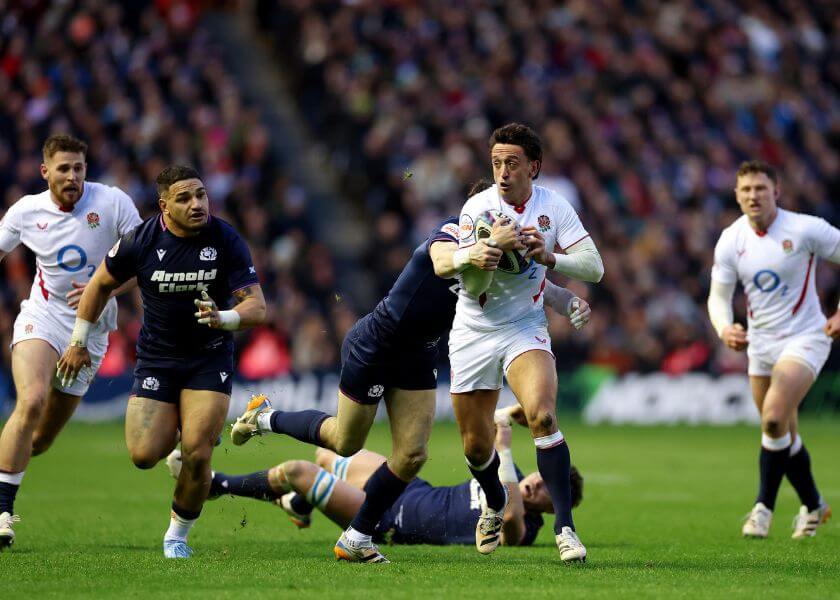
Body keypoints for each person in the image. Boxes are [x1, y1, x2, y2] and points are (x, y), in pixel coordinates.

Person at [228, 183, 591, 563]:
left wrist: (568, 302)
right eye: (501, 213)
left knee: (412, 454)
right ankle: (264, 416)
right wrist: (487, 247)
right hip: (380, 341)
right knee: (344, 440)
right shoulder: (450, 234)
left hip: (420, 353)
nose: (510, 221)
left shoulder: (504, 256)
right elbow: (443, 262)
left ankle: (357, 537)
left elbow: (539, 286)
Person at [56, 165, 266, 558]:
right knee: (142, 455)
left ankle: (176, 536)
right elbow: (101, 283)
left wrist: (224, 318)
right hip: (157, 360)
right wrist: (78, 341)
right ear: (164, 205)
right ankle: (184, 436)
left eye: (201, 194)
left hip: (208, 357)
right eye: (185, 198)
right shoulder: (141, 240)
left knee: (199, 452)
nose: (197, 204)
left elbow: (257, 307)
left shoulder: (225, 239)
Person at [449, 123, 604, 563]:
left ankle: (566, 529)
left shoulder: (554, 206)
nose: (502, 172)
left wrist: (549, 256)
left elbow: (595, 267)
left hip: (524, 327)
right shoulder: (476, 209)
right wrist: (489, 248)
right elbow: (471, 281)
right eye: (496, 163)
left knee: (542, 415)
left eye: (512, 163)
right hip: (474, 331)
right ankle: (495, 502)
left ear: (533, 167)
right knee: (476, 447)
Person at [0, 134, 142, 548]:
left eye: (79, 168)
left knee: (40, 440)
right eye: (63, 168)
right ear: (45, 172)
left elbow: (146, 261)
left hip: (93, 330)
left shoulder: (113, 203)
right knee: (30, 401)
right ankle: (2, 513)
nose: (73, 176)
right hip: (43, 318)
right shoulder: (27, 211)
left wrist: (106, 290)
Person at [166, 407, 583, 548]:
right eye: (544, 479)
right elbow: (500, 420)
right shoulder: (511, 478)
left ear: (551, 506)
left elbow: (507, 520)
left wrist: (506, 449)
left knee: (296, 471)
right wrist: (514, 418)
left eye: (546, 492)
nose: (536, 485)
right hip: (409, 489)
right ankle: (297, 505)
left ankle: (217, 484)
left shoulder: (527, 526)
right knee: (328, 452)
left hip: (389, 523)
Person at [708, 160, 839, 539]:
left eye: (761, 189)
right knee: (783, 432)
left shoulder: (804, 228)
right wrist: (724, 327)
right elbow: (718, 298)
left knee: (772, 418)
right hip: (760, 345)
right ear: (736, 195)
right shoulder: (731, 239)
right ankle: (814, 504)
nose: (753, 196)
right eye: (746, 190)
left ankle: (762, 507)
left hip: (806, 337)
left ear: (776, 192)